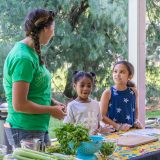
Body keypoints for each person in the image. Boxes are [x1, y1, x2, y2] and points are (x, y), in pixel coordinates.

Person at [3, 8, 66, 149]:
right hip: (24, 130)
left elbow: (34, 91)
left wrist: (52, 102)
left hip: (34, 129)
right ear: (44, 28)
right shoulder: (23, 58)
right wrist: (51, 110)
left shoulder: (30, 53)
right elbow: (19, 104)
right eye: (53, 28)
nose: (53, 33)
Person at [100, 60, 143, 131]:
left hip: (131, 131)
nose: (117, 74)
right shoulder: (108, 92)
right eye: (115, 71)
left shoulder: (134, 91)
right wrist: (118, 126)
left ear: (130, 76)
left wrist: (136, 120)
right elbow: (102, 116)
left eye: (122, 72)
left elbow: (136, 109)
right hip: (113, 132)